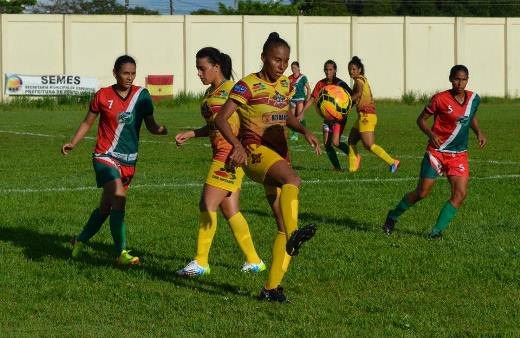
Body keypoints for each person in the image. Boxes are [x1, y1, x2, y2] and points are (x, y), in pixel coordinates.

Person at [215, 32, 321, 303]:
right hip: (254, 153)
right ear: (263, 57)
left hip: (279, 153)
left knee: (282, 230)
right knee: (293, 181)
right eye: (276, 60)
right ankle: (296, 232)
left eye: (285, 61)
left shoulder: (285, 85)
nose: (281, 65)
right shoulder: (247, 86)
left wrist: (305, 130)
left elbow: (285, 115)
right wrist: (236, 146)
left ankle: (271, 288)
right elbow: (222, 119)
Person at [61, 55, 168, 265]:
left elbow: (151, 125)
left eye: (133, 73)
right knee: (119, 198)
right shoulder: (102, 95)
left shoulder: (142, 95)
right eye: (125, 73)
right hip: (104, 156)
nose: (129, 77)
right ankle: (121, 253)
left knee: (106, 208)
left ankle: (80, 241)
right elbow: (87, 123)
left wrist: (162, 130)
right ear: (115, 73)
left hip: (129, 161)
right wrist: (73, 142)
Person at [175, 47, 265, 277]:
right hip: (225, 153)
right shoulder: (211, 92)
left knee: (207, 205)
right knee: (230, 210)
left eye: (202, 68)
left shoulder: (231, 91)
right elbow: (216, 125)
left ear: (217, 67)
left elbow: (249, 120)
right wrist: (192, 133)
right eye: (197, 68)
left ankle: (201, 262)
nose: (198, 73)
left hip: (229, 156)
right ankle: (255, 261)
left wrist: (242, 147)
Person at [383, 65, 486, 238]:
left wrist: (479, 132)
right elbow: (421, 120)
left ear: (468, 79)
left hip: (458, 154)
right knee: (422, 193)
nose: (460, 83)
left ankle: (436, 232)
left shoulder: (474, 98)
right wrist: (431, 134)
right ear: (450, 79)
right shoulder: (440, 99)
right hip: (437, 152)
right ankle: (392, 216)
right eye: (456, 79)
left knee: (460, 194)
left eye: (464, 79)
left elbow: (470, 115)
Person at [347, 56, 400, 173]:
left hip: (367, 116)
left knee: (369, 145)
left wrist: (346, 102)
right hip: (363, 115)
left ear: (360, 70)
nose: (351, 72)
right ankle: (352, 168)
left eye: (354, 69)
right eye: (350, 69)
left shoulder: (360, 80)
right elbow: (356, 99)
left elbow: (359, 93)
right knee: (351, 140)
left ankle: (393, 162)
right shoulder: (359, 81)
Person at [301, 60, 352, 172]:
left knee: (336, 142)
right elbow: (313, 98)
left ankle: (353, 155)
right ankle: (337, 168)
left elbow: (351, 97)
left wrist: (345, 111)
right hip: (327, 119)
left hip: (339, 119)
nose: (328, 72)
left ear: (335, 71)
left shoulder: (340, 84)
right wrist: (302, 112)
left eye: (330, 70)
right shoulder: (321, 84)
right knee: (327, 144)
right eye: (326, 70)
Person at [288, 61, 311, 141]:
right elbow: (287, 90)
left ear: (298, 68)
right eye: (292, 68)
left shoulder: (303, 77)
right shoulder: (289, 78)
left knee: (299, 116)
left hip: (301, 99)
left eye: (294, 67)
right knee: (293, 118)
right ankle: (295, 134)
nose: (293, 69)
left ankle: (305, 131)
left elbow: (308, 88)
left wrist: (308, 98)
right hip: (292, 99)